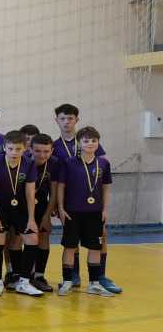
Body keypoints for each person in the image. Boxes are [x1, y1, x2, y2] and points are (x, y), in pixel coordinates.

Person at [52, 104, 116, 293]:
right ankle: (71, 277)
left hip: (94, 208)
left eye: (70, 118)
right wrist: (57, 206)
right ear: (57, 120)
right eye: (63, 118)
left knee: (99, 240)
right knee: (71, 244)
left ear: (76, 120)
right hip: (70, 205)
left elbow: (102, 180)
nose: (67, 122)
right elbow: (57, 182)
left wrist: (105, 208)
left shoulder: (99, 157)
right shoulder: (56, 148)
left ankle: (98, 278)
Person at [0, 131, 43, 297]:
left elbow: (30, 193)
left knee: (32, 239)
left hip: (21, 209)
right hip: (0, 208)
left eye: (18, 149)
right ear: (4, 147)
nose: (14, 152)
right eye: (10, 148)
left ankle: (23, 282)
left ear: (25, 148)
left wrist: (31, 219)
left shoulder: (29, 164)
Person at [27, 133, 57, 292]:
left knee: (43, 236)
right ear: (30, 149)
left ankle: (39, 275)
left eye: (46, 151)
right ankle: (21, 275)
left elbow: (54, 193)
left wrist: (46, 216)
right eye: (38, 151)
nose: (42, 155)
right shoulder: (23, 161)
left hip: (42, 206)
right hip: (22, 207)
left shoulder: (54, 164)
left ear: (52, 150)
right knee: (21, 238)